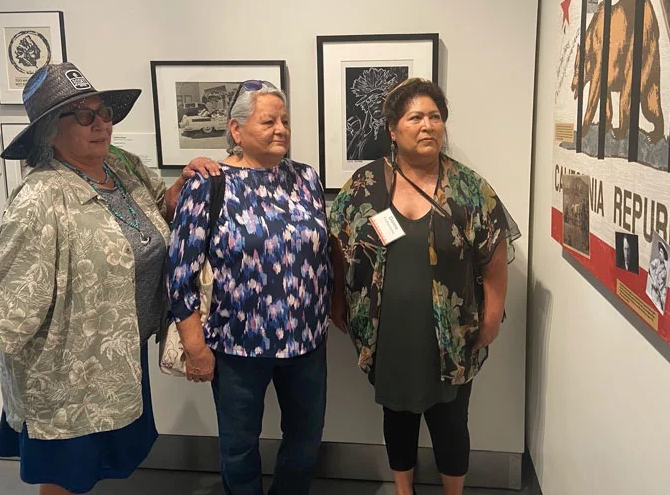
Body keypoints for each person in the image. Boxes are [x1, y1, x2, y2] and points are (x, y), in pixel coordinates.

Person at [0, 62, 218, 495]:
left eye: (104, 113)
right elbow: (8, 292)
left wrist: (183, 188)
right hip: (66, 369)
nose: (101, 124)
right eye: (84, 116)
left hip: (115, 353)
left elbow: (156, 211)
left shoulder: (120, 165)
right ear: (49, 132)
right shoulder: (42, 196)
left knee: (95, 468)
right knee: (66, 474)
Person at [329, 78, 520, 495]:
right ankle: (404, 490)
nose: (428, 125)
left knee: (451, 422)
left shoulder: (468, 188)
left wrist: (492, 317)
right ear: (392, 128)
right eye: (415, 117)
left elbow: (494, 255)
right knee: (397, 417)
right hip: (386, 332)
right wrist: (337, 299)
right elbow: (338, 245)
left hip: (453, 333)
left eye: (435, 117)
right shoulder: (364, 185)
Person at [166, 80, 334, 495]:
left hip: (306, 343)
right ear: (236, 129)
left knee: (306, 441)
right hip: (237, 346)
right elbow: (180, 272)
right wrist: (195, 347)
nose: (281, 129)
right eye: (268, 121)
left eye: (285, 121)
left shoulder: (306, 178)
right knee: (239, 447)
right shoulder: (209, 183)